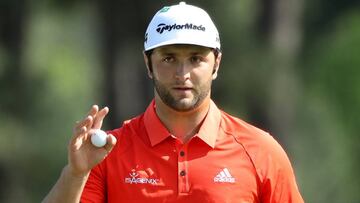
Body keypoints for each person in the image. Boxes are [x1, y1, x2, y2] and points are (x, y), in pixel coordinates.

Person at [43, 2, 304, 203]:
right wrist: (75, 174)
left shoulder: (261, 151)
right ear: (148, 64)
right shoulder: (107, 155)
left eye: (195, 59)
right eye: (168, 58)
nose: (182, 74)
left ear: (216, 64)